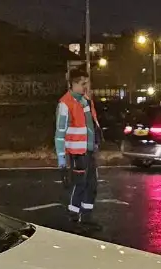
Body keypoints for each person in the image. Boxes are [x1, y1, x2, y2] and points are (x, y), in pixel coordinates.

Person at [55, 66, 102, 231]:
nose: (85, 87)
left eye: (86, 83)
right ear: (73, 84)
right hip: (77, 153)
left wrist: (96, 142)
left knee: (92, 186)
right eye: (83, 84)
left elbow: (91, 123)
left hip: (89, 151)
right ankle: (74, 218)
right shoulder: (65, 104)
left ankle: (86, 217)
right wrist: (62, 160)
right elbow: (59, 135)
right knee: (80, 185)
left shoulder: (86, 100)